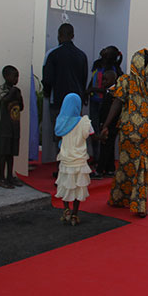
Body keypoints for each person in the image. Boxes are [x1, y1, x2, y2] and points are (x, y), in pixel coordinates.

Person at [100, 48, 148, 217]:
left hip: (127, 130)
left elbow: (117, 103)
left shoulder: (125, 81)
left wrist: (106, 125)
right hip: (145, 131)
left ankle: (119, 198)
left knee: (125, 165)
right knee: (142, 167)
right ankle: (139, 204)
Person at [41, 23, 88, 163]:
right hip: (75, 103)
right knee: (74, 135)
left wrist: (47, 94)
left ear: (59, 35)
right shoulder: (82, 55)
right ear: (73, 36)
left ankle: (62, 167)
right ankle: (73, 165)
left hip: (58, 101)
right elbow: (84, 79)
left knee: (60, 135)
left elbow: (47, 79)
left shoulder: (53, 54)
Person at [54, 93, 95, 226]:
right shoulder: (84, 121)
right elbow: (91, 133)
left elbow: (57, 137)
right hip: (79, 160)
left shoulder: (61, 121)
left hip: (66, 160)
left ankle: (66, 209)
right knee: (78, 187)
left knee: (65, 184)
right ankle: (75, 214)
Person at [86, 46, 124, 169]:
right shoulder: (97, 64)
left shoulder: (114, 69)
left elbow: (112, 87)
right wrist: (88, 91)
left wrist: (94, 89)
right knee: (94, 129)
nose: (103, 50)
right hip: (94, 100)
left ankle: (103, 162)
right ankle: (96, 156)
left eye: (107, 50)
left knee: (104, 130)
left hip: (105, 103)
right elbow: (93, 79)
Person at [0, 65, 24, 189]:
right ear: (6, 76)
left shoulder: (17, 90)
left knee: (11, 153)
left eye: (17, 76)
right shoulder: (2, 89)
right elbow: (4, 101)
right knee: (4, 153)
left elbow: (21, 107)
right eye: (14, 76)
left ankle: (9, 176)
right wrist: (12, 93)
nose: (16, 79)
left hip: (15, 125)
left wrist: (18, 95)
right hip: (5, 126)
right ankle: (1, 178)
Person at [96, 70, 119, 177]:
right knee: (109, 147)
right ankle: (110, 169)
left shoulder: (114, 93)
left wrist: (105, 125)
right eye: (102, 79)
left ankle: (99, 170)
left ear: (113, 80)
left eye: (106, 79)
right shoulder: (108, 91)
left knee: (105, 147)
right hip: (107, 124)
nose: (103, 82)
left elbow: (112, 111)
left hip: (111, 125)